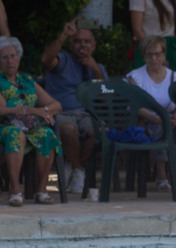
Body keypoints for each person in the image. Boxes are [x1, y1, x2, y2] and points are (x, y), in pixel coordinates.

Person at [41, 17, 107, 195]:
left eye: (86, 42)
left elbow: (105, 99)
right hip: (62, 113)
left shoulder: (98, 67)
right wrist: (63, 35)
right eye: (77, 41)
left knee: (98, 132)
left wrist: (95, 69)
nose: (82, 45)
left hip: (87, 114)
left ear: (93, 46)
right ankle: (78, 169)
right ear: (71, 45)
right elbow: (46, 59)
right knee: (68, 130)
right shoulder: (62, 60)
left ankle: (72, 164)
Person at [1, 36, 62, 206]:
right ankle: (15, 189)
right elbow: (2, 110)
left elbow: (56, 105)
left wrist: (45, 111)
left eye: (13, 56)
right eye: (4, 57)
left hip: (31, 127)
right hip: (4, 126)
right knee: (15, 133)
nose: (10, 61)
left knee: (47, 134)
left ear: (19, 58)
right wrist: (30, 110)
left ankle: (42, 190)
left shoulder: (27, 81)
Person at [126, 35, 176, 192]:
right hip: (146, 121)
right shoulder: (135, 77)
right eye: (149, 54)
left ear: (164, 54)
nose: (154, 58)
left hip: (170, 118)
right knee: (161, 129)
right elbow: (136, 106)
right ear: (144, 56)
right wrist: (159, 119)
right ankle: (162, 177)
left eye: (158, 54)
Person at [130, 0, 176, 69]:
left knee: (173, 78)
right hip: (149, 47)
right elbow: (137, 30)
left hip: (170, 46)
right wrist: (156, 54)